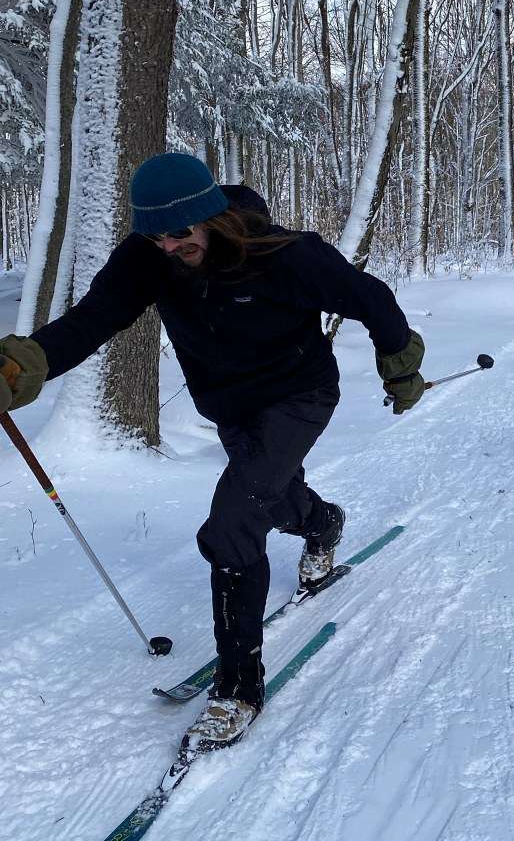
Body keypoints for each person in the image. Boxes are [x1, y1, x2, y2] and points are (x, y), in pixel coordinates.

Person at [0, 153, 425, 752]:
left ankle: (238, 691)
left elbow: (373, 301)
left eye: (180, 232)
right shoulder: (150, 259)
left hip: (298, 397)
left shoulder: (285, 255)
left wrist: (400, 370)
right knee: (271, 499)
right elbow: (92, 320)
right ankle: (323, 524)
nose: (169, 246)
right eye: (155, 234)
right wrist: (23, 365)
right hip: (230, 407)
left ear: (212, 218)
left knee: (231, 524)